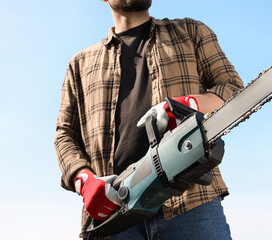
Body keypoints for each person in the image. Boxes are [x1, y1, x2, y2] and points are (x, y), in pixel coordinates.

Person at [54, 0, 243, 239]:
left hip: (192, 202)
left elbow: (234, 91)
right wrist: (84, 180)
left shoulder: (191, 32)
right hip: (114, 217)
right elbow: (64, 134)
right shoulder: (79, 64)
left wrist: (186, 106)